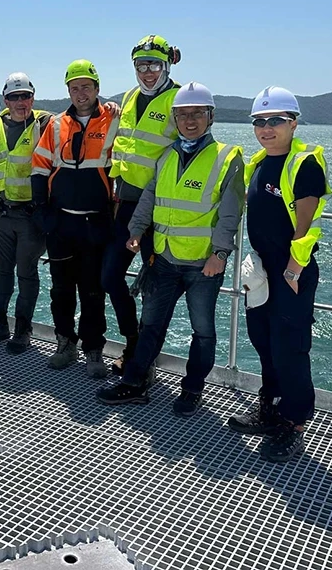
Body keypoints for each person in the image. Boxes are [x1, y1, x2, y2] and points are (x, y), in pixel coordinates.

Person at [96, 82, 243, 415]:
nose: (189, 120)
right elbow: (149, 196)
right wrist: (136, 231)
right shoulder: (165, 155)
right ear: (174, 119)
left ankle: (192, 389)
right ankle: (134, 383)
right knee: (150, 324)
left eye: (197, 114)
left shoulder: (227, 157)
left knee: (202, 331)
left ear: (211, 116)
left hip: (203, 265)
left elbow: (231, 211)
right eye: (182, 114)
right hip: (164, 258)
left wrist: (220, 253)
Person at [227, 86, 332, 463]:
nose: (266, 128)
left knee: (290, 348)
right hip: (262, 269)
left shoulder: (304, 163)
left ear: (293, 123)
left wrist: (293, 269)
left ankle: (294, 423)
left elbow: (306, 225)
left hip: (291, 270)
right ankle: (270, 407)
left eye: (275, 120)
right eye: (259, 121)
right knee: (263, 340)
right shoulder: (258, 163)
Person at [31, 60, 120, 378]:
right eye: (74, 88)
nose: (81, 93)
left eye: (86, 87)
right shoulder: (56, 125)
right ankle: (65, 343)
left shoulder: (113, 119)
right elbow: (39, 167)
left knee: (94, 291)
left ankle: (93, 349)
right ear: (68, 91)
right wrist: (42, 211)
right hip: (61, 223)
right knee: (61, 290)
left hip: (96, 223)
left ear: (97, 89)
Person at [104, 35, 182, 375]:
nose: (147, 72)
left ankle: (143, 360)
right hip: (126, 203)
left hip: (159, 210)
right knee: (110, 277)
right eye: (141, 65)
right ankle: (133, 340)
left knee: (154, 290)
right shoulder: (129, 97)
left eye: (153, 65)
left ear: (167, 65)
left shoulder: (179, 99)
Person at [0, 72, 53, 353]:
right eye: (14, 97)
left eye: (26, 96)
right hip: (3, 213)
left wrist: (109, 109)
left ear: (33, 98)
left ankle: (23, 331)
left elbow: (76, 120)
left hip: (30, 217)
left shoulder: (45, 124)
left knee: (26, 274)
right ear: (5, 100)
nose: (21, 102)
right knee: (2, 273)